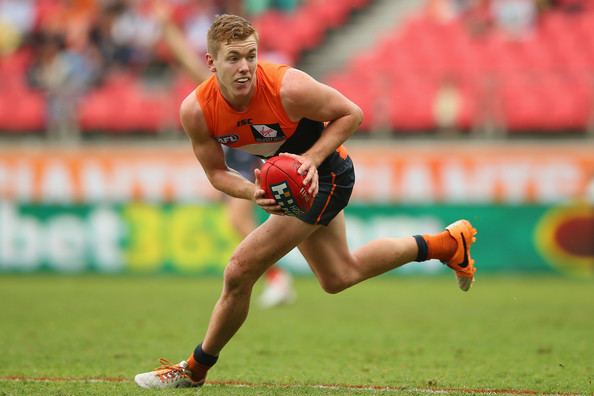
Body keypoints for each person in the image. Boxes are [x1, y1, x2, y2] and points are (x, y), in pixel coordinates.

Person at [134, 14, 477, 389]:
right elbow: (216, 173)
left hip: (327, 175)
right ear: (211, 63)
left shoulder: (287, 87)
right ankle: (446, 243)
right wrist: (253, 192)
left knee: (239, 270)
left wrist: (309, 161)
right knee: (338, 276)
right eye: (233, 58)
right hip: (295, 184)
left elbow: (352, 114)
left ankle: (194, 370)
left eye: (251, 55)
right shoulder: (196, 111)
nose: (245, 66)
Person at [153, 1, 297, 308]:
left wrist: (167, 28)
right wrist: (167, 29)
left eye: (247, 56)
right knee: (243, 221)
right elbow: (190, 65)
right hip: (238, 158)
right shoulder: (213, 89)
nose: (242, 66)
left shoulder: (264, 77)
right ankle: (276, 276)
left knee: (239, 219)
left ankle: (278, 277)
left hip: (251, 158)